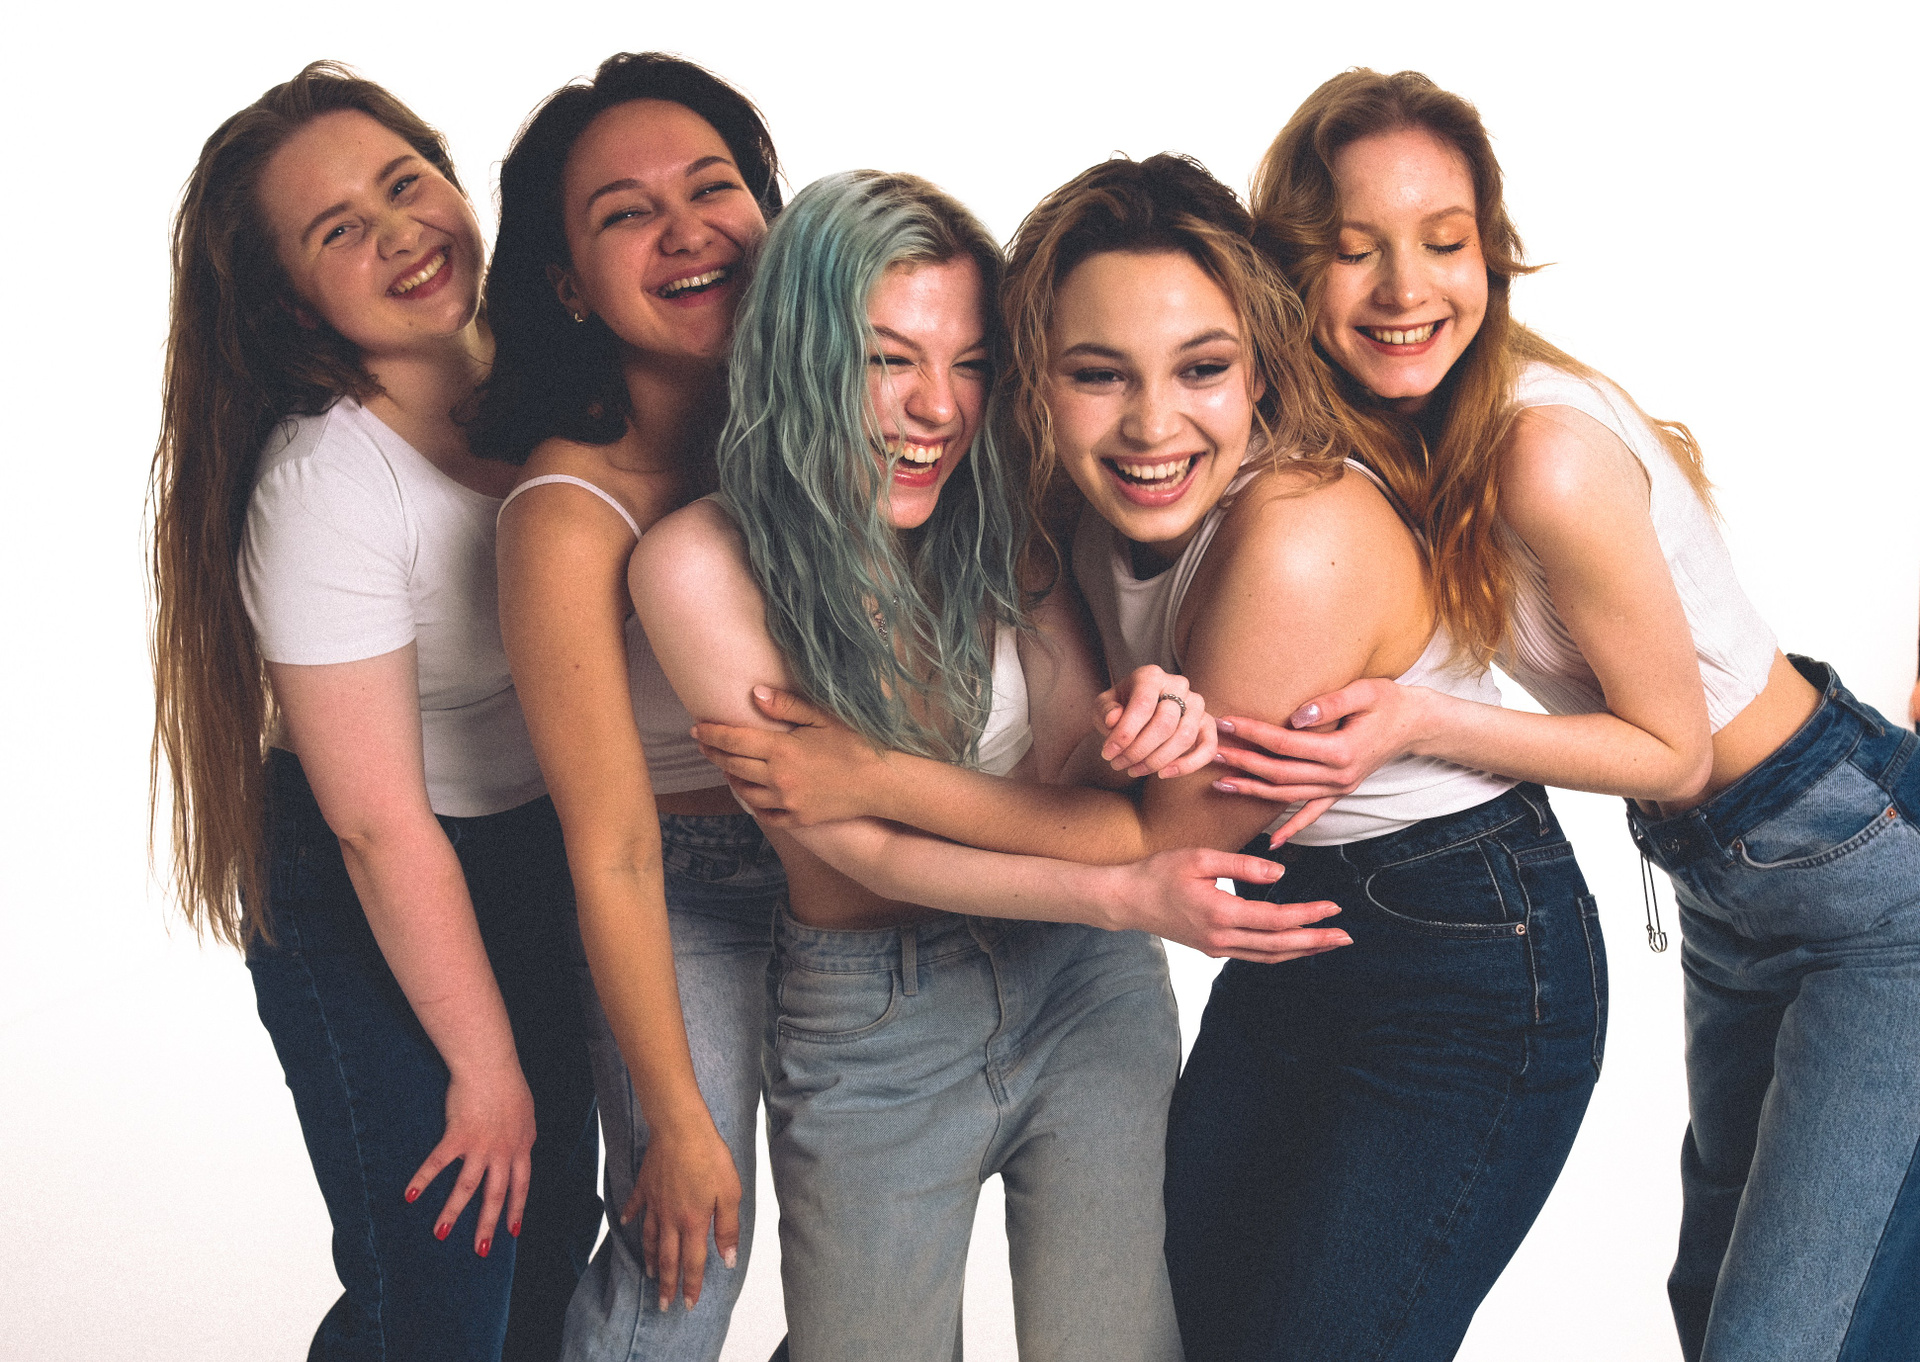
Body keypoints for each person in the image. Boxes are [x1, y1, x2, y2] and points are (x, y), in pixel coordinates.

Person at [692, 153, 1607, 1362]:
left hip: (1463, 950)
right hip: (1293, 934)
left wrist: (876, 777)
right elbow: (1098, 760)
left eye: (1202, 369)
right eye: (1097, 374)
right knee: (1192, 1331)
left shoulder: (1296, 541)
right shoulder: (1064, 500)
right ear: (1035, 380)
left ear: (1261, 369)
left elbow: (1156, 840)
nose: (1152, 425)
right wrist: (1130, 718)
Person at [1213, 68, 1920, 1362]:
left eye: (1444, 242)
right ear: (1293, 265)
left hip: (1869, 894)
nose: (1406, 287)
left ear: (1491, 252)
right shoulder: (1403, 437)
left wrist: (1416, 719)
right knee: (1724, 1314)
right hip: (1738, 889)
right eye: (1357, 249)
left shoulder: (1537, 449)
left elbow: (1674, 751)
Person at [634, 168, 1332, 1362]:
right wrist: (1121, 890)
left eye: (968, 364)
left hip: (1085, 989)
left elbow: (1065, 763)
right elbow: (851, 854)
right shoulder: (696, 566)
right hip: (873, 1015)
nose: (937, 409)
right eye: (887, 360)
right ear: (800, 355)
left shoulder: (1009, 513)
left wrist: (1142, 723)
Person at [149, 62, 598, 1362]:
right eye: (340, 228)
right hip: (363, 877)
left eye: (407, 184)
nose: (401, 231)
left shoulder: (558, 373)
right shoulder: (328, 481)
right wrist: (487, 1066)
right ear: (292, 303)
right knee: (449, 1278)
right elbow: (379, 826)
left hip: (529, 850)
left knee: (548, 1247)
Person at [465, 52, 787, 1362]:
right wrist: (674, 1115)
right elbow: (609, 844)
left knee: (876, 1265)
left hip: (857, 870)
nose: (686, 229)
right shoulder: (567, 512)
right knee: (688, 1257)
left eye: (713, 188)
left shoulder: (847, 420)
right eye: (625, 214)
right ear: (567, 285)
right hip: (682, 890)